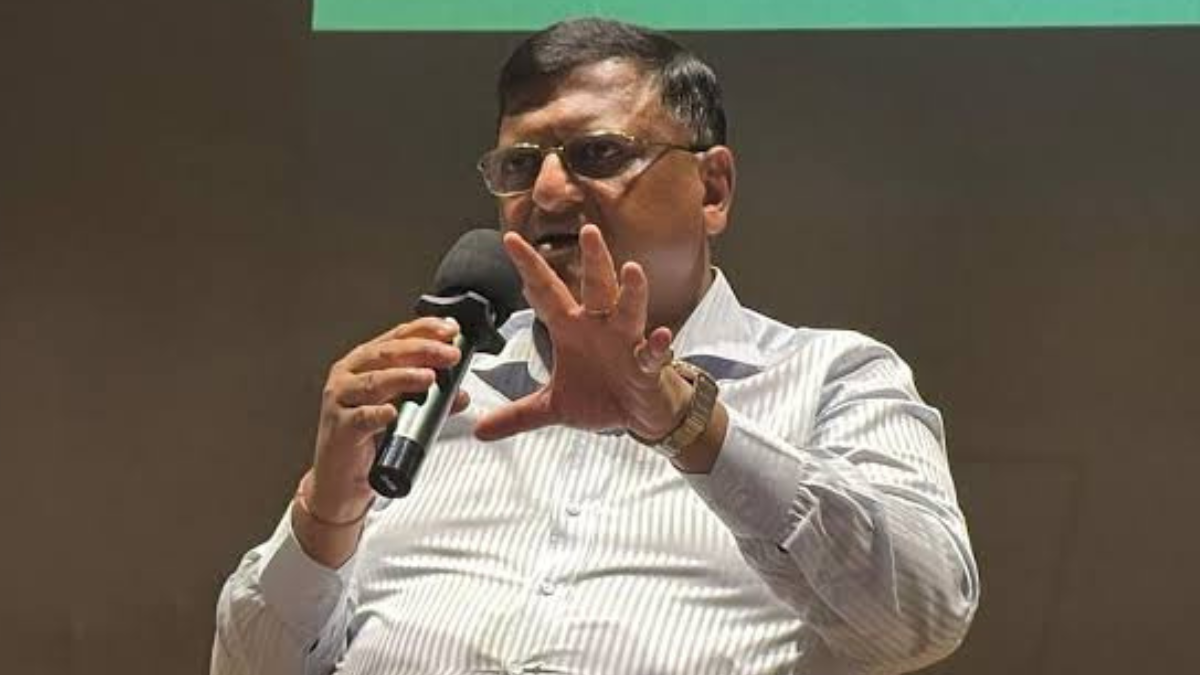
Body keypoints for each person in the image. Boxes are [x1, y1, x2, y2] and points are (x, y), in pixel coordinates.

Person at [212, 17, 979, 675]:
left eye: (598, 154)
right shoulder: (432, 391)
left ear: (713, 189)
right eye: (519, 165)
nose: (546, 193)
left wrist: (688, 424)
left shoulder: (833, 376)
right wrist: (327, 510)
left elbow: (922, 618)